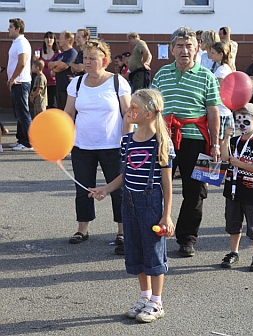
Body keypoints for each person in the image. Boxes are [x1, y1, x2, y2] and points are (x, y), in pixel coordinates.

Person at [88, 89, 175, 323]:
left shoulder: (161, 142)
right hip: (129, 202)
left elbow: (167, 183)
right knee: (135, 250)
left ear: (148, 114)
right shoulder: (127, 140)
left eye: (134, 107)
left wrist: (166, 216)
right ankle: (144, 297)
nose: (128, 110)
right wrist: (105, 189)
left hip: (152, 203)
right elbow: (124, 174)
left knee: (154, 252)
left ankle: (157, 302)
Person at [152, 26, 221, 258]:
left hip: (197, 140)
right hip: (164, 140)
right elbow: (152, 109)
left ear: (197, 48)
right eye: (179, 46)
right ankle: (156, 232)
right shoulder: (161, 74)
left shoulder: (207, 77)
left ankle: (187, 238)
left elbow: (213, 113)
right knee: (156, 188)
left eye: (189, 45)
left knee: (196, 192)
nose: (184, 50)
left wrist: (216, 144)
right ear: (172, 49)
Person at [64, 39, 132, 253]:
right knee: (83, 187)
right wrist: (64, 142)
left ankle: (122, 231)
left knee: (118, 190)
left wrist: (126, 141)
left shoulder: (117, 82)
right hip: (82, 145)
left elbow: (128, 114)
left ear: (104, 60)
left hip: (113, 146)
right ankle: (82, 229)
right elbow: (68, 114)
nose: (87, 62)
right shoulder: (76, 83)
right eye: (85, 58)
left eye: (92, 58)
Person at [220, 103, 253, 271]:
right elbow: (225, 157)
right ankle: (233, 252)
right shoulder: (234, 141)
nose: (241, 124)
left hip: (250, 189)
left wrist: (240, 164)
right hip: (233, 189)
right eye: (238, 120)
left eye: (246, 120)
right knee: (233, 223)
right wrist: (226, 138)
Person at [7, 18, 32, 151]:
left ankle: (29, 142)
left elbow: (22, 63)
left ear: (18, 29)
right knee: (19, 113)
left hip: (21, 82)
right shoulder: (16, 42)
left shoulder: (22, 43)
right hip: (17, 82)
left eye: (10, 27)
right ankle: (21, 140)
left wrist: (13, 78)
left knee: (23, 113)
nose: (8, 29)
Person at [209, 41, 234, 149]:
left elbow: (216, 92)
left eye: (213, 53)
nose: (211, 56)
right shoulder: (228, 68)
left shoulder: (221, 71)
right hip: (226, 110)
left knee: (219, 144)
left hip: (220, 111)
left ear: (221, 54)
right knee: (225, 143)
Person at [48, 30, 77, 110]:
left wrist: (55, 70)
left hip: (67, 88)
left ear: (68, 40)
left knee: (67, 113)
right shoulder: (61, 54)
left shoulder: (72, 53)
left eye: (61, 38)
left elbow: (63, 66)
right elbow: (50, 65)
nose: (59, 40)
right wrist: (58, 62)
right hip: (59, 87)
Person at [34, 31, 61, 109]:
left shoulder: (57, 53)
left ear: (54, 40)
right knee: (41, 104)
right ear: (44, 39)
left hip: (52, 82)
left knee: (52, 104)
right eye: (47, 38)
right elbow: (35, 65)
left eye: (51, 38)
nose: (49, 40)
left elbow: (59, 66)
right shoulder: (39, 50)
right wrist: (36, 60)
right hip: (41, 82)